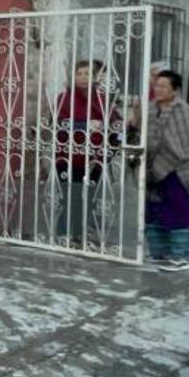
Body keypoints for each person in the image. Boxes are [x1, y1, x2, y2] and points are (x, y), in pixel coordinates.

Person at [142, 70, 189, 272]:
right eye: (156, 85)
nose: (158, 90)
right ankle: (159, 253)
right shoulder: (150, 109)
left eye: (163, 86)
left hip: (177, 168)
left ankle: (180, 257)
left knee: (179, 211)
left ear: (174, 90)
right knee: (155, 211)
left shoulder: (182, 109)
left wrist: (169, 153)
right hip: (154, 168)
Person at [54, 59, 115, 247]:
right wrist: (84, 125)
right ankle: (62, 235)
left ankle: (80, 235)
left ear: (95, 77)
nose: (82, 78)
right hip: (67, 155)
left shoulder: (102, 100)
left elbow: (114, 125)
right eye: (79, 73)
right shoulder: (64, 98)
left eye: (87, 74)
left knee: (87, 199)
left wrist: (106, 154)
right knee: (67, 197)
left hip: (93, 158)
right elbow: (58, 123)